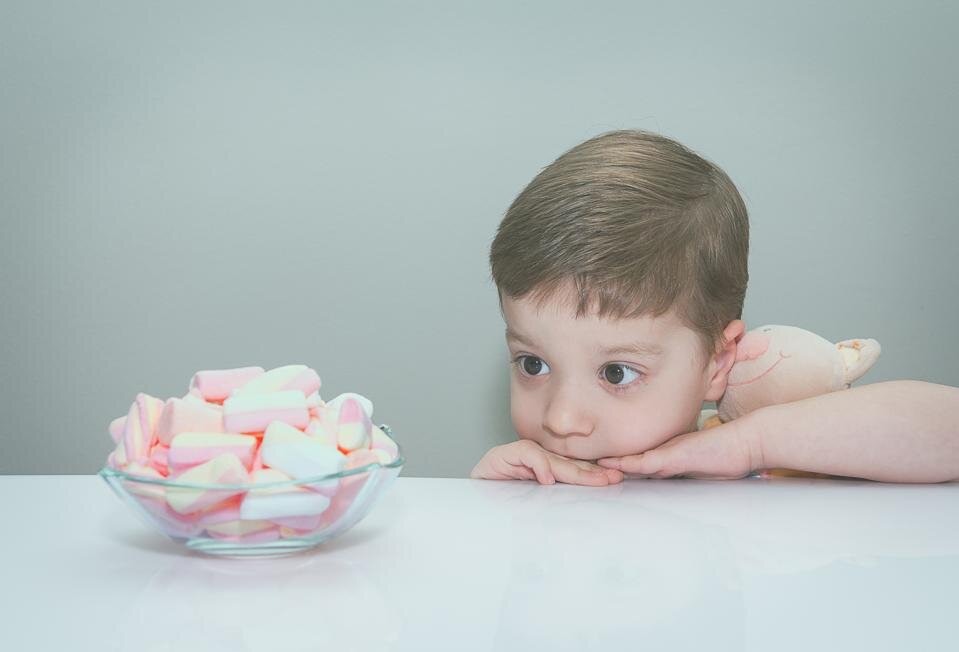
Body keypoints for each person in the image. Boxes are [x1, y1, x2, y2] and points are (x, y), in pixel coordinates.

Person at [471, 130, 959, 485]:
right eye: (533, 364)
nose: (561, 418)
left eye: (616, 372)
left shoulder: (751, 456)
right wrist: (492, 503)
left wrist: (753, 444)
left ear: (717, 363)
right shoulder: (532, 478)